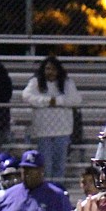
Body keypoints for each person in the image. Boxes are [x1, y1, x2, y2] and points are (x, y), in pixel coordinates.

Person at [21, 55, 83, 186]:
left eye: (53, 69)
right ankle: (46, 190)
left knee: (59, 166)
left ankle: (58, 191)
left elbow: (76, 99)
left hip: (63, 130)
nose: (50, 72)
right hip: (43, 131)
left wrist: (58, 101)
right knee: (46, 166)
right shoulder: (36, 82)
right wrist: (48, 101)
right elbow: (26, 96)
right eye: (48, 69)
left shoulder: (67, 83)